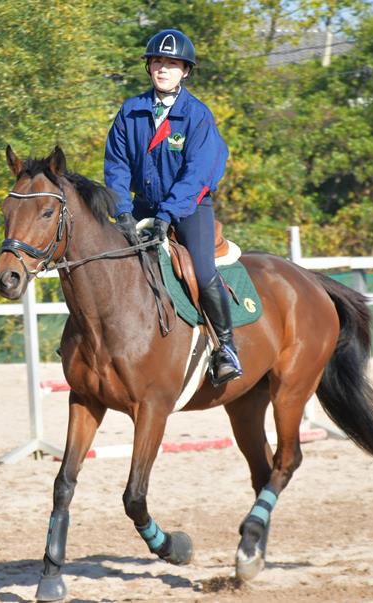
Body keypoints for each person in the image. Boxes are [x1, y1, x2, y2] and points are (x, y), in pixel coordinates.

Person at [104, 28, 242, 387]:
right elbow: (116, 165)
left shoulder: (197, 116)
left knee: (201, 269)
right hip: (140, 206)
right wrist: (121, 211)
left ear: (185, 72)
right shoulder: (130, 111)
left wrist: (166, 217)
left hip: (189, 209)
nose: (163, 69)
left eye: (172, 64)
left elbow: (198, 174)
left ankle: (226, 347)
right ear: (149, 67)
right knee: (105, 260)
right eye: (158, 62)